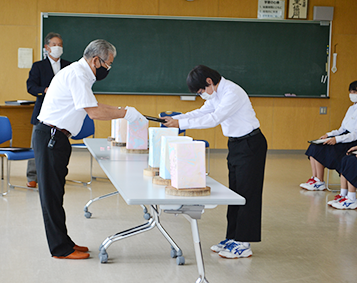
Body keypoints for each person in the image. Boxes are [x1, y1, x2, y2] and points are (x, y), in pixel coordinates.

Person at [33, 39, 145, 260]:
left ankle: (65, 241)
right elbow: (94, 111)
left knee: (56, 193)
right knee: (51, 196)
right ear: (96, 60)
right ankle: (60, 249)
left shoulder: (80, 74)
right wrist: (126, 113)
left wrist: (124, 112)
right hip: (51, 137)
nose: (108, 69)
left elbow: (90, 106)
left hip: (58, 138)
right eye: (108, 64)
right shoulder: (77, 74)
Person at [163, 65, 267, 259]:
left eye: (201, 90)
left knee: (247, 193)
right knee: (235, 192)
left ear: (209, 81)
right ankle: (233, 237)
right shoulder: (215, 94)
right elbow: (202, 112)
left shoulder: (232, 92)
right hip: (236, 145)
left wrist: (181, 124)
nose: (202, 94)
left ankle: (244, 244)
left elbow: (214, 119)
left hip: (251, 144)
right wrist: (177, 119)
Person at [25, 32, 71, 188]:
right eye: (54, 44)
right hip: (43, 112)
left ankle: (56, 175)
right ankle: (32, 176)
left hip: (63, 113)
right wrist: (45, 90)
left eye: (60, 45)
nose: (57, 47)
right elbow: (30, 87)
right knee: (37, 145)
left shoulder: (69, 66)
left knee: (60, 145)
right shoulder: (38, 66)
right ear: (47, 47)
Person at [300, 81, 357, 191]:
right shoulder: (351, 108)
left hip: (350, 141)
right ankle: (316, 179)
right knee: (315, 146)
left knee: (325, 150)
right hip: (342, 137)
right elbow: (342, 129)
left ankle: (320, 181)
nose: (352, 94)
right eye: (350, 92)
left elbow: (354, 135)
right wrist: (329, 135)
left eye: (354, 92)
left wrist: (337, 139)